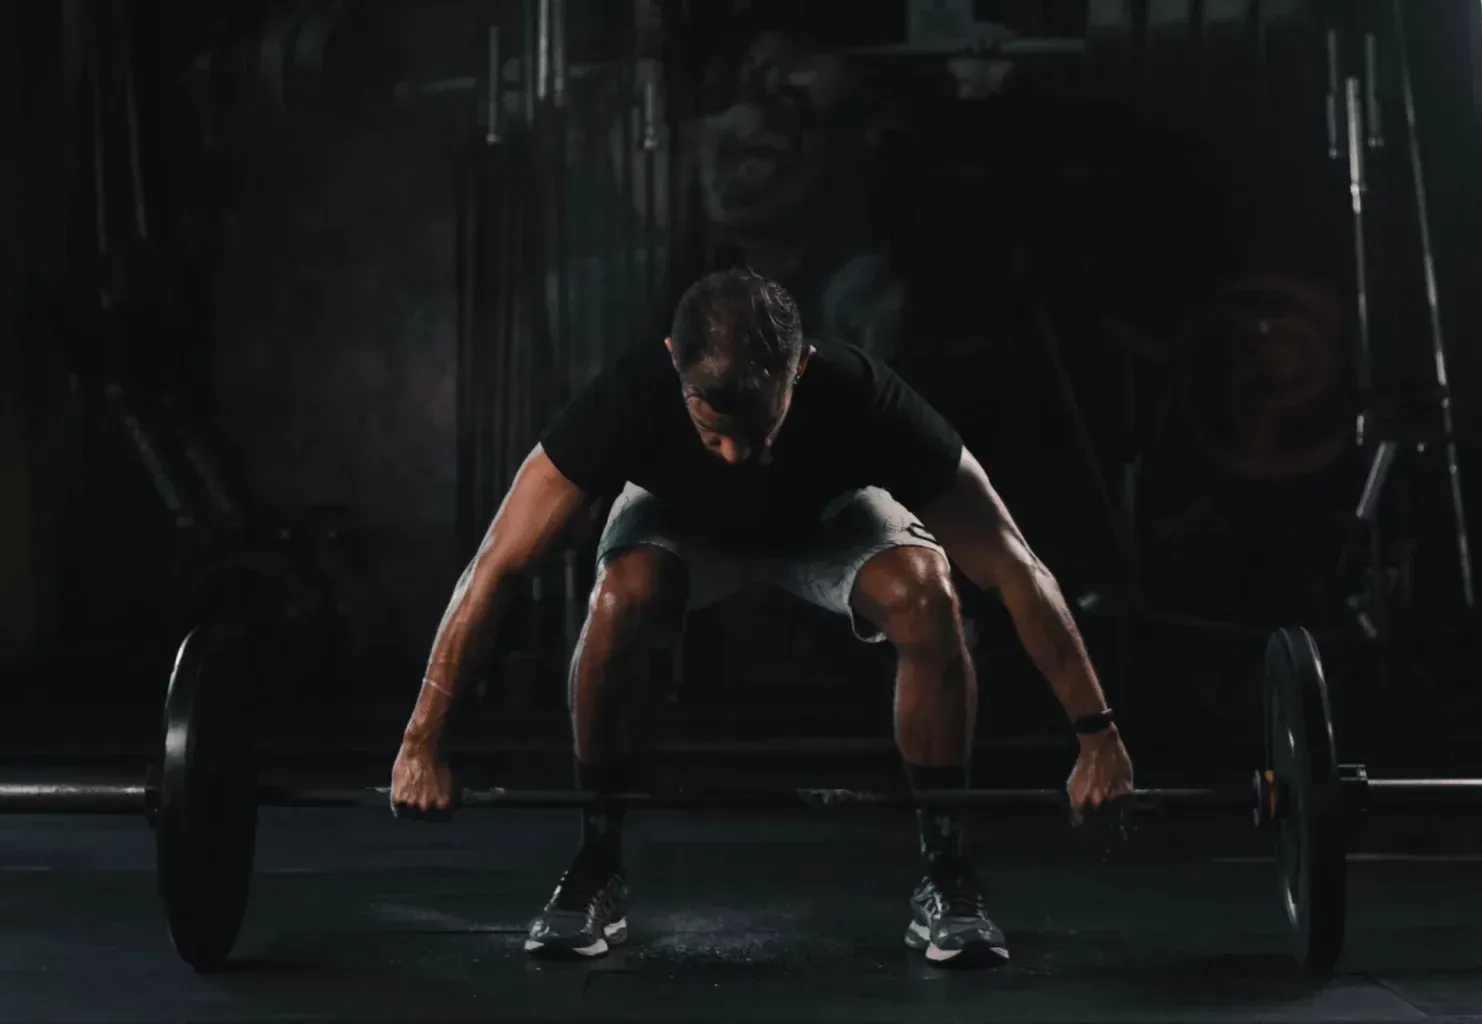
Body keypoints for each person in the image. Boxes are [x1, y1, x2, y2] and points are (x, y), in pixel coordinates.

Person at [391, 269, 1135, 969]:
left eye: (760, 431)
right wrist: (422, 742)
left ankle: (945, 869)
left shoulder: (864, 398)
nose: (737, 457)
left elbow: (1012, 564)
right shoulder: (630, 397)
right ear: (673, 367)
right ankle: (596, 861)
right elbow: (497, 565)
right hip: (681, 529)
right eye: (713, 432)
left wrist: (1096, 734)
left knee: (928, 593)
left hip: (828, 524)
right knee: (621, 597)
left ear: (800, 368)